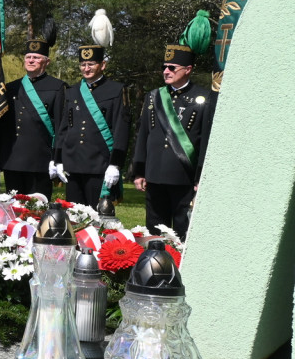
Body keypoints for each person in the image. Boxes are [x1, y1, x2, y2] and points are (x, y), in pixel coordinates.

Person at [132, 38, 215, 240]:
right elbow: (144, 135)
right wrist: (139, 171)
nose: (166, 71)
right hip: (154, 174)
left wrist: (200, 176)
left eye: (172, 67)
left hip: (183, 177)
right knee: (154, 230)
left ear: (188, 69)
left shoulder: (204, 98)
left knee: (181, 231)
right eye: (164, 67)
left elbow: (204, 142)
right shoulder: (154, 96)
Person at [54, 43, 130, 208]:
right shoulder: (72, 91)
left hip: (99, 164)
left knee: (97, 218)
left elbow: (121, 129)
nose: (86, 68)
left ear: (103, 65)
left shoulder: (116, 90)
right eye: (83, 64)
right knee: (74, 216)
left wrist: (115, 164)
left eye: (91, 64)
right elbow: (64, 128)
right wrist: (58, 159)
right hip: (73, 163)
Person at [0, 20, 66, 199]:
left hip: (40, 160)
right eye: (28, 57)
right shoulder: (11, 87)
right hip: (12, 159)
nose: (31, 60)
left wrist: (57, 158)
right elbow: (1, 127)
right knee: (15, 212)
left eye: (36, 57)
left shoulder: (58, 87)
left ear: (47, 61)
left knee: (38, 211)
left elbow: (61, 127)